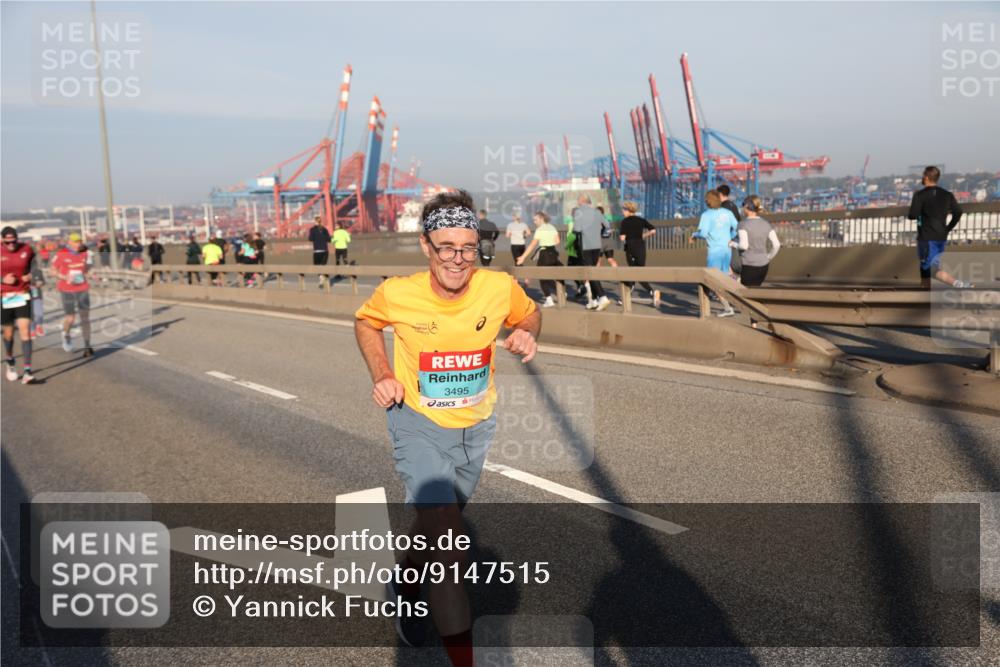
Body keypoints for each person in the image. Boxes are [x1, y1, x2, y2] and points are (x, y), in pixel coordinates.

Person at [354, 190, 539, 664]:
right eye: (447, 248)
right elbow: (366, 323)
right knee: (451, 546)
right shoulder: (398, 293)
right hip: (416, 423)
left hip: (476, 428)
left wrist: (526, 332)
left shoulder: (498, 287)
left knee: (433, 528)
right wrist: (383, 373)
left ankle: (404, 582)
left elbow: (530, 313)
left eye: (468, 248)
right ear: (426, 246)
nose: (458, 260)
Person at [907, 165, 969, 288]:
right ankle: (924, 290)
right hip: (941, 236)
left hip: (926, 236)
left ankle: (957, 284)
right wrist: (948, 228)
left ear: (926, 177)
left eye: (923, 175)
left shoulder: (919, 195)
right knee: (926, 265)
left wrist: (919, 212)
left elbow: (912, 215)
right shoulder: (947, 195)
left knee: (930, 269)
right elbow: (958, 211)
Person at [691, 190, 738, 317]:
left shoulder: (706, 215)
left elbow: (703, 233)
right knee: (724, 276)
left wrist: (694, 234)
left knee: (713, 281)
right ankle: (735, 294)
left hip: (714, 251)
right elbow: (737, 227)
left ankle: (728, 308)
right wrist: (730, 237)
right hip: (727, 250)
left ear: (708, 201)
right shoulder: (728, 213)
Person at [1, 227, 37, 383]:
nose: (11, 244)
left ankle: (28, 371)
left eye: (13, 241)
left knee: (25, 332)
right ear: (2, 240)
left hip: (23, 294)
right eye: (7, 242)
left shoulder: (27, 249)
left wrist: (32, 275)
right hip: (4, 296)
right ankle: (10, 361)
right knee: (8, 334)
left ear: (17, 239)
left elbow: (36, 266)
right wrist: (3, 280)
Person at [53, 232, 94, 356]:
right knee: (70, 318)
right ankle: (66, 334)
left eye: (79, 241)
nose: (78, 244)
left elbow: (87, 269)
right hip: (67, 289)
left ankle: (87, 346)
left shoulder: (85, 253)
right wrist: (64, 277)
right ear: (69, 242)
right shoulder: (61, 254)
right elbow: (52, 271)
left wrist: (91, 274)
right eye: (76, 241)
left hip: (82, 287)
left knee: (85, 318)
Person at [618, 201, 660, 307]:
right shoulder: (641, 220)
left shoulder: (625, 221)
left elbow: (622, 237)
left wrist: (623, 237)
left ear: (628, 210)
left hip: (631, 248)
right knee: (638, 272)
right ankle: (627, 296)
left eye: (624, 209)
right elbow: (653, 230)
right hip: (641, 248)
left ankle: (651, 292)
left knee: (633, 273)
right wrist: (643, 236)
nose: (622, 212)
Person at [515, 211, 561, 308]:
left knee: (542, 276)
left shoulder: (539, 230)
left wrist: (523, 257)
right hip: (553, 253)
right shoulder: (552, 227)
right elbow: (557, 241)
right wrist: (549, 243)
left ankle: (549, 300)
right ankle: (560, 293)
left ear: (541, 219)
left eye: (535, 220)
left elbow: (532, 245)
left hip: (544, 254)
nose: (534, 222)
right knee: (550, 276)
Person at [572, 194, 610, 310]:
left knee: (589, 272)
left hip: (585, 245)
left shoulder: (579, 212)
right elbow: (607, 225)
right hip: (597, 245)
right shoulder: (597, 212)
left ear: (582, 201)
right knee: (592, 270)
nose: (578, 203)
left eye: (578, 201)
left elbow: (577, 229)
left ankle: (602, 297)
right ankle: (593, 300)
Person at [736, 195, 781, 287]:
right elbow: (776, 245)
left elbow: (744, 246)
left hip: (749, 265)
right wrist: (768, 257)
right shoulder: (765, 223)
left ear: (746, 207)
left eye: (743, 205)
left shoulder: (742, 224)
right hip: (764, 266)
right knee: (756, 290)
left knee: (746, 293)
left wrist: (733, 244)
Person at [308, 215, 331, 287]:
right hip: (325, 250)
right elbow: (329, 240)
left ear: (315, 221)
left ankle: (321, 279)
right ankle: (325, 277)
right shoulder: (324, 229)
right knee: (323, 266)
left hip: (317, 251)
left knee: (317, 267)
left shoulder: (312, 229)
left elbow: (310, 239)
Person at [30, 258, 45, 338]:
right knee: (31, 314)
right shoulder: (22, 272)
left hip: (37, 295)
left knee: (39, 313)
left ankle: (39, 326)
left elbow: (43, 281)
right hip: (27, 296)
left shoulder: (38, 272)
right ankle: (32, 330)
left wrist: (41, 283)